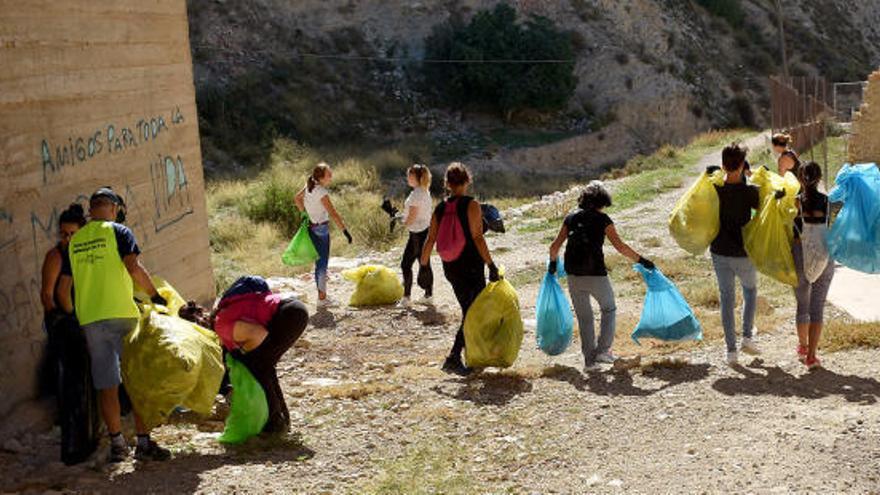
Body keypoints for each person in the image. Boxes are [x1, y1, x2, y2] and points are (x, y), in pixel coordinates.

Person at [56, 187, 171, 463]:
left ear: (91, 209)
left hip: (91, 321)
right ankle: (143, 444)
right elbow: (133, 267)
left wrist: (78, 315)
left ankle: (118, 445)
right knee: (136, 379)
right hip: (122, 316)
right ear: (113, 207)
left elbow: (63, 289)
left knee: (107, 385)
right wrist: (156, 296)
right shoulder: (118, 231)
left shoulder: (75, 240)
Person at [548, 181, 654, 370]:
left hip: (574, 275)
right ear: (602, 202)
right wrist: (642, 260)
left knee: (584, 318)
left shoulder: (570, 219)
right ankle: (603, 352)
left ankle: (589, 362)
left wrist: (553, 266)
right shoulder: (603, 220)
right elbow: (620, 247)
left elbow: (554, 247)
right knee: (609, 309)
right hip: (596, 273)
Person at [420, 162, 499, 376]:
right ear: (466, 181)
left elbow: (430, 240)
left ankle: (473, 355)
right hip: (471, 265)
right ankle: (454, 356)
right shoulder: (472, 205)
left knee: (469, 310)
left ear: (447, 183)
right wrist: (491, 264)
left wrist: (424, 266)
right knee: (472, 312)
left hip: (450, 266)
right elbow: (477, 237)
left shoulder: (440, 208)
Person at [211, 280, 309, 433]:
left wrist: (246, 359)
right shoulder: (226, 315)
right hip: (292, 310)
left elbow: (256, 333)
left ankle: (274, 425)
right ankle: (282, 421)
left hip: (289, 314)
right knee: (265, 366)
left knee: (260, 366)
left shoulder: (221, 325)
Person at [710, 143, 761, 365]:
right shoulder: (750, 192)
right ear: (742, 165)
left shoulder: (714, 190)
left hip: (719, 251)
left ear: (723, 165)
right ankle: (747, 337)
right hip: (743, 252)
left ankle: (731, 351)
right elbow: (764, 211)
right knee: (750, 292)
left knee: (726, 300)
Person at [792, 162, 835, 369]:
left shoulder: (796, 202)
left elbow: (791, 230)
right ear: (819, 179)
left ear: (801, 178)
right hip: (824, 256)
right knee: (817, 307)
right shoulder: (827, 202)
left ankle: (802, 346)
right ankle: (811, 356)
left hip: (801, 254)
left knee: (803, 304)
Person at [295, 163, 352, 305]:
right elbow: (333, 213)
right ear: (320, 178)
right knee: (322, 264)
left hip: (311, 227)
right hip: (321, 230)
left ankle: (321, 295)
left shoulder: (309, 186)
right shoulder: (321, 192)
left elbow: (297, 198)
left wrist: (305, 214)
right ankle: (322, 298)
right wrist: (345, 231)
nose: (331, 177)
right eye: (328, 175)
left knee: (318, 262)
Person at [399, 164, 434, 305]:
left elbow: (412, 217)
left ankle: (406, 297)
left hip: (417, 233)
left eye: (410, 175)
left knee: (406, 264)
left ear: (418, 177)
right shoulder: (425, 191)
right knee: (424, 263)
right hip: (424, 231)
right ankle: (428, 295)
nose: (408, 178)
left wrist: (403, 222)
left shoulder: (415, 194)